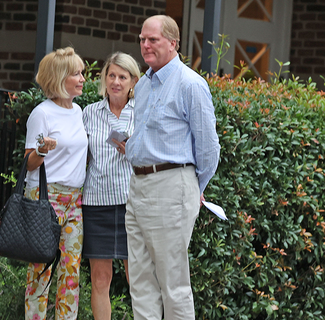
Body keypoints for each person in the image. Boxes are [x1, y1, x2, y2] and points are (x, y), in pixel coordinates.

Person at [117, 15, 221, 319]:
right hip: (138, 188)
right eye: (142, 39)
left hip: (171, 187)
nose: (145, 45)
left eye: (153, 40)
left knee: (172, 283)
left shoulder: (190, 84)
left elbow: (209, 148)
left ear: (173, 43)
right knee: (139, 281)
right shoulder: (145, 84)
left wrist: (191, 188)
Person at [22, 47, 88, 320]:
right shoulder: (42, 113)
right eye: (77, 73)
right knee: (40, 270)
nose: (83, 78)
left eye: (83, 72)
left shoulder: (79, 111)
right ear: (61, 78)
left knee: (71, 272)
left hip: (75, 200)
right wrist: (42, 151)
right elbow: (28, 163)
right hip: (44, 197)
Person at [82, 52, 141, 320]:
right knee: (100, 278)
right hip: (96, 203)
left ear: (133, 82)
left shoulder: (142, 113)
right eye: (112, 75)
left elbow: (156, 158)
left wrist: (134, 150)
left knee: (137, 279)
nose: (116, 82)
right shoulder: (89, 113)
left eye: (123, 77)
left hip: (133, 204)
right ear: (104, 78)